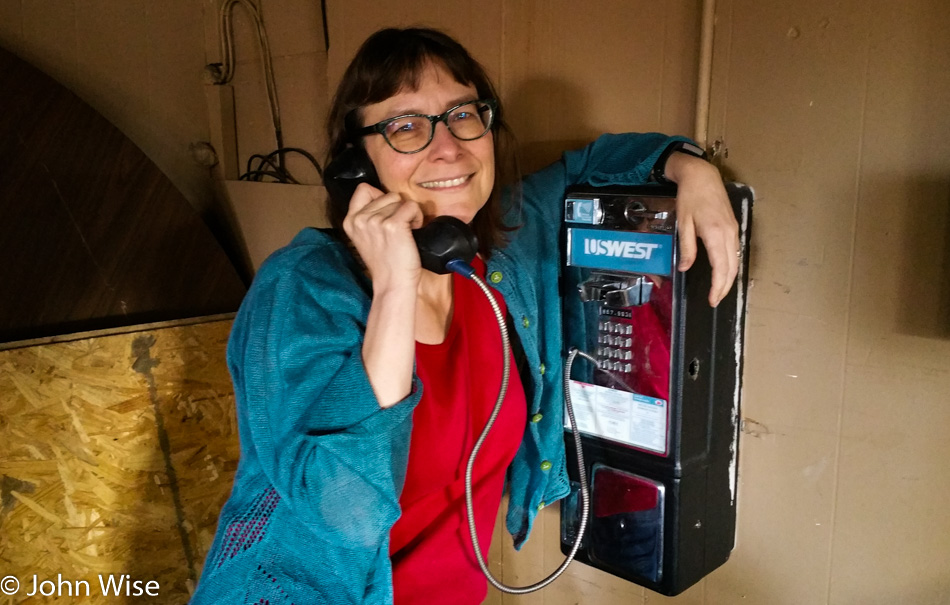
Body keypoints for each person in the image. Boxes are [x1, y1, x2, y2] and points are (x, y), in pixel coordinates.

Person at [190, 27, 739, 605]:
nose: (448, 147)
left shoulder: (500, 252)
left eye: (462, 114)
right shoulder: (302, 288)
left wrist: (690, 169)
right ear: (355, 165)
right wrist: (396, 288)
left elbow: (598, 161)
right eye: (405, 126)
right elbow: (343, 511)